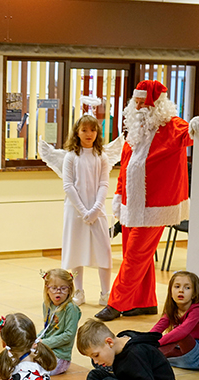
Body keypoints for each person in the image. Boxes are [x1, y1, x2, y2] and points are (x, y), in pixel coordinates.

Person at [96, 80, 199, 321]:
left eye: (141, 102)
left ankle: (116, 304)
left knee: (134, 258)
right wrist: (118, 197)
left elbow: (188, 134)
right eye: (134, 102)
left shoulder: (170, 126)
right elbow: (126, 169)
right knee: (135, 257)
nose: (136, 106)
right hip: (130, 206)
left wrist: (197, 126)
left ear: (154, 104)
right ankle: (145, 302)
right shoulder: (135, 132)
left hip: (155, 208)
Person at [72, 318, 177, 380]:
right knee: (94, 375)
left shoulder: (135, 354)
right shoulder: (121, 341)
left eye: (96, 355)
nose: (95, 361)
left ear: (109, 342)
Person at [62, 114, 112, 307]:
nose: (88, 134)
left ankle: (105, 293)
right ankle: (79, 291)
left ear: (97, 132)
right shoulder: (71, 157)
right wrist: (84, 211)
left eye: (92, 129)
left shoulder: (102, 156)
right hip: (75, 212)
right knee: (76, 250)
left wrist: (95, 209)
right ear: (77, 132)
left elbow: (103, 184)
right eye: (84, 130)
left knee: (104, 252)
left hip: (96, 211)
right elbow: (68, 186)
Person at [151, 270, 199, 371]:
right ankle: (149, 357)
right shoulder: (172, 310)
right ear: (170, 291)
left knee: (179, 334)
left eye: (187, 288)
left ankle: (152, 357)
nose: (181, 291)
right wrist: (144, 341)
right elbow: (158, 328)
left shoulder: (197, 310)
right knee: (153, 351)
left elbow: (182, 332)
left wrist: (157, 343)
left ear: (194, 294)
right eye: (177, 287)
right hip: (182, 357)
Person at [40, 269, 81, 376]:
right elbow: (47, 329)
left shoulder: (71, 309)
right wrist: (34, 340)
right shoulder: (47, 305)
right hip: (47, 350)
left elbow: (69, 335)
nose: (58, 292)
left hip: (60, 356)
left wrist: (44, 343)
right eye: (54, 288)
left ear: (70, 289)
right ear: (47, 289)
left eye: (63, 288)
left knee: (36, 370)